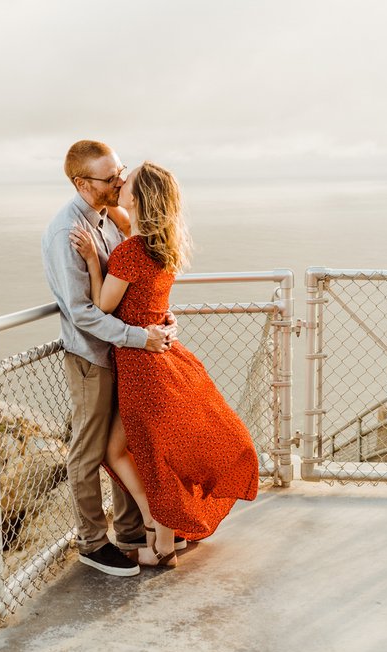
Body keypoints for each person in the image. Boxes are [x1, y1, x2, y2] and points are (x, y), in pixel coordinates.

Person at [70, 161, 260, 567]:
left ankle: (161, 543)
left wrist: (90, 259)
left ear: (137, 198)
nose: (119, 182)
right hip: (163, 358)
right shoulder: (160, 247)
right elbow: (128, 226)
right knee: (141, 451)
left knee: (127, 452)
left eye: (127, 181)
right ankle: (161, 532)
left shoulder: (129, 252)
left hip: (140, 367)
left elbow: (103, 304)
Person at [42, 140, 178, 577]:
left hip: (125, 352)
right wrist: (141, 336)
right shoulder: (68, 232)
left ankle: (133, 530)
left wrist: (159, 319)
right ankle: (93, 543)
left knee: (130, 442)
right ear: (82, 183)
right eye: (110, 176)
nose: (120, 180)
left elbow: (135, 280)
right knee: (90, 448)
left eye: (121, 171)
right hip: (93, 357)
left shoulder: (108, 217)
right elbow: (83, 312)